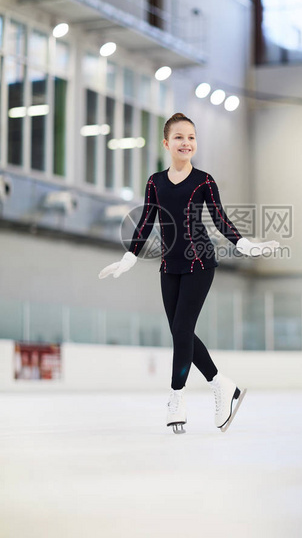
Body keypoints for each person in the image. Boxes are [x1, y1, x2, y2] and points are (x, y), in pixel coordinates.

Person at [98, 112, 279, 434]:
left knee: (182, 330)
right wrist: (130, 256)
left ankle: (176, 398)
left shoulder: (204, 180)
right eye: (179, 137)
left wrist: (245, 244)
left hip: (200, 263)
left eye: (192, 137)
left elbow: (221, 220)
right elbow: (146, 221)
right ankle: (222, 385)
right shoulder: (155, 181)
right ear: (167, 143)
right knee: (181, 334)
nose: (186, 142)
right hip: (169, 267)